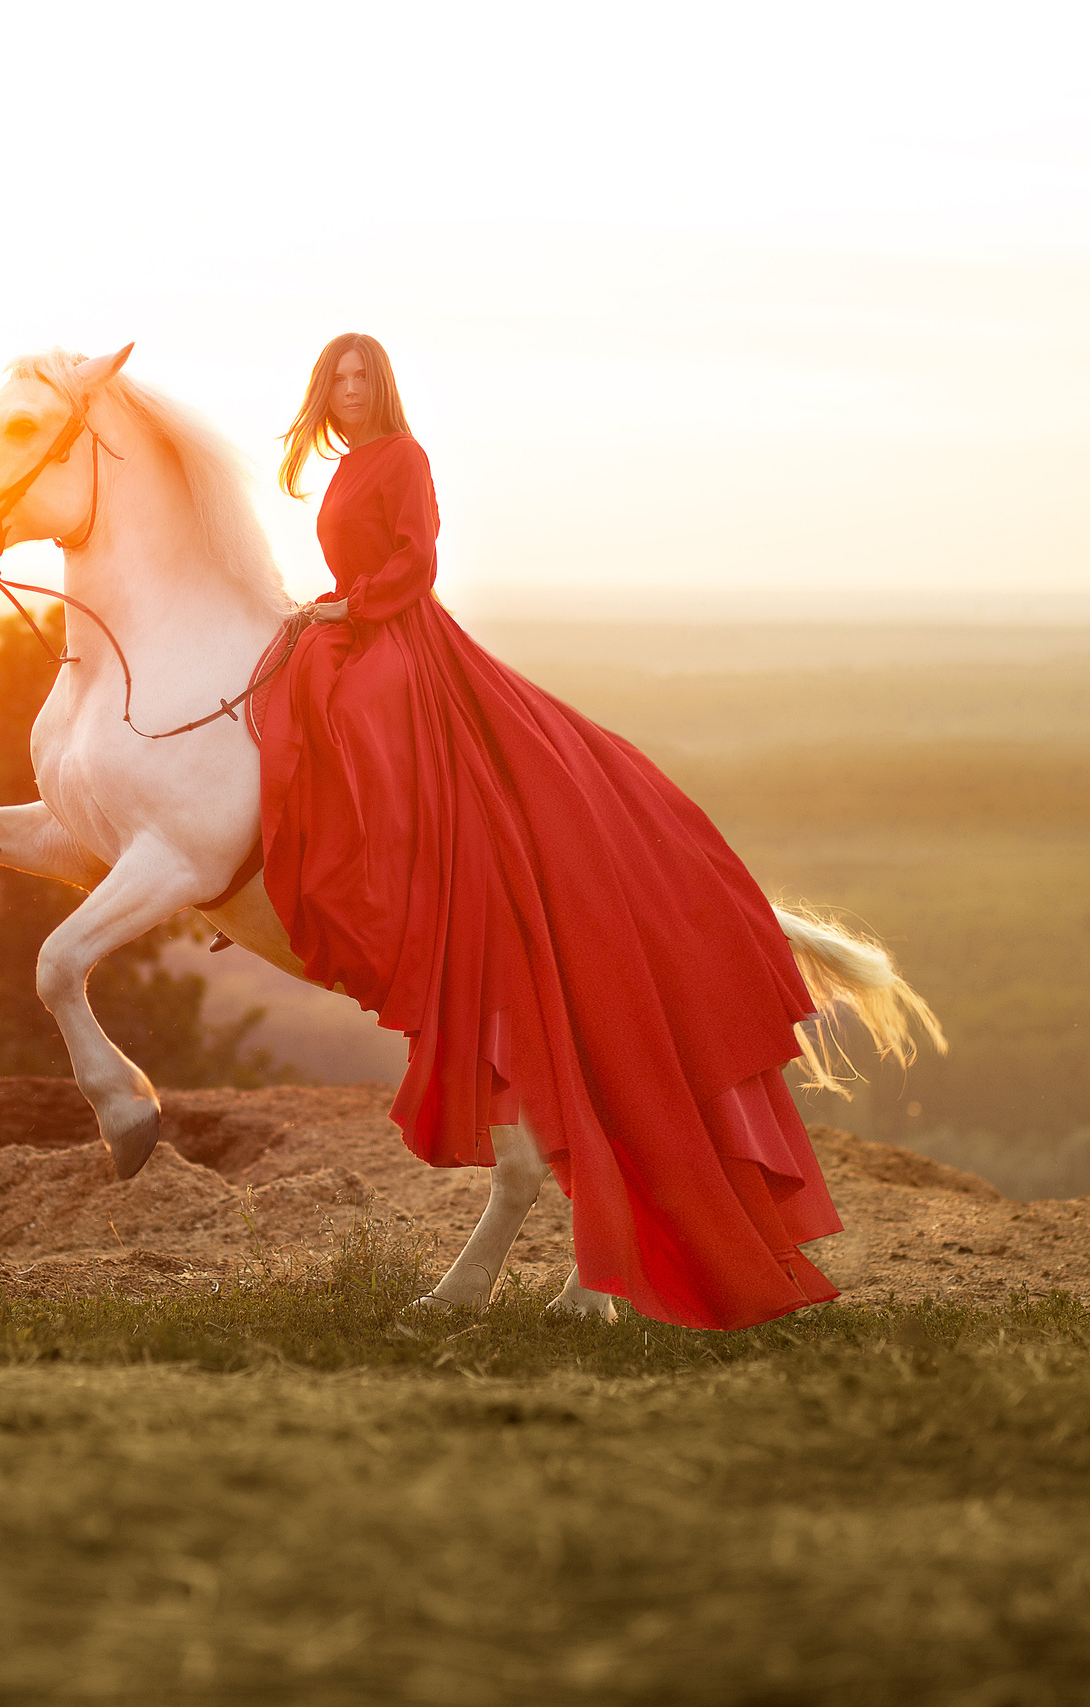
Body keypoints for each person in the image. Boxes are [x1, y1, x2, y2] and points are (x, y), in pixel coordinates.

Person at [257, 332, 843, 1331]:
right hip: (357, 618)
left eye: (362, 378)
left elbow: (416, 560)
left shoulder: (402, 459)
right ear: (322, 393)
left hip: (402, 633)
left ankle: (387, 873)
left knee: (352, 712)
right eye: (336, 380)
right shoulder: (347, 466)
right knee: (294, 679)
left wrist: (349, 611)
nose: (348, 392)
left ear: (379, 389)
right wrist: (323, 611)